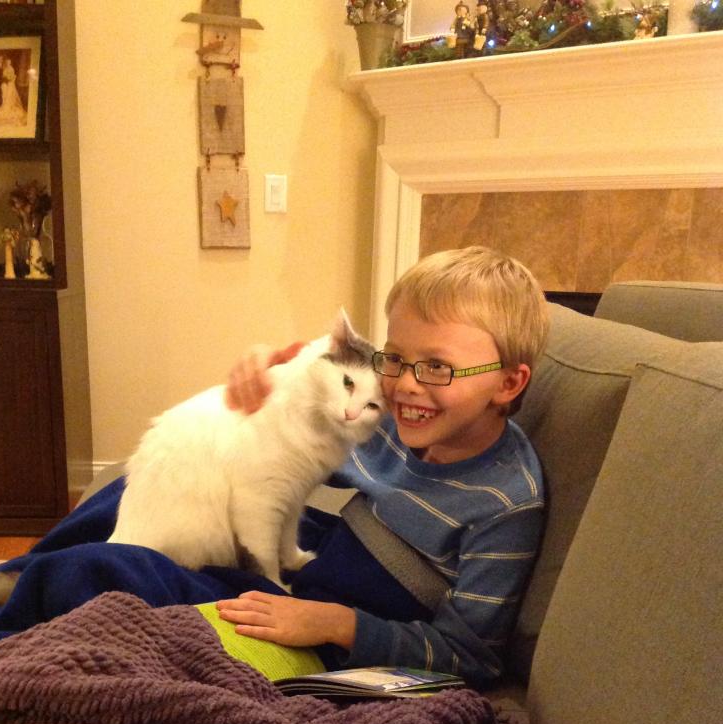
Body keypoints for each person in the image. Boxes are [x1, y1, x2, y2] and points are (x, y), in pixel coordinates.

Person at [217, 246, 549, 689]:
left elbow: (470, 656)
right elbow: (291, 443)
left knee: (142, 579)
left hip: (334, 635)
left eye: (437, 366)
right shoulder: (390, 418)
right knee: (139, 495)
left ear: (508, 383)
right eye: (395, 359)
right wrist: (274, 370)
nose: (404, 385)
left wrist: (336, 624)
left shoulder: (505, 503)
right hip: (313, 561)